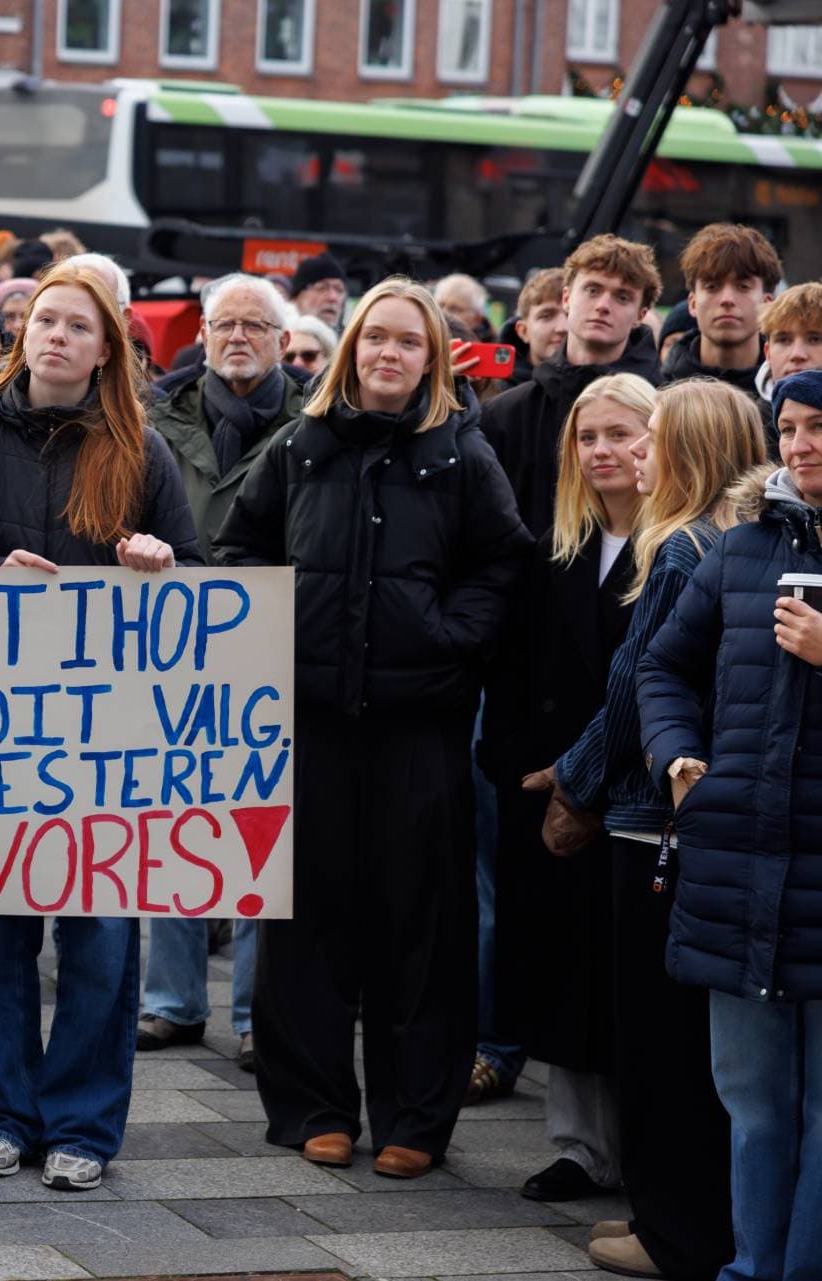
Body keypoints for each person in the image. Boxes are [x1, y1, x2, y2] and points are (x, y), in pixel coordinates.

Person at [218, 277, 530, 1180]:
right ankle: (314, 1104)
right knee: (309, 920)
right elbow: (240, 551)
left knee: (419, 928)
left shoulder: (460, 455)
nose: (388, 354)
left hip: (419, 726)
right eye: (374, 339)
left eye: (407, 341)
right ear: (350, 350)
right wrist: (277, 638)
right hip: (312, 722)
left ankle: (414, 1115)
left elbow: (500, 563)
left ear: (432, 357)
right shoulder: (300, 448)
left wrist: (451, 638)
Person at [0, 261, 201, 1192]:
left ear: (105, 348)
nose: (58, 336)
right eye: (46, 320)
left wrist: (161, 564)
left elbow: (203, 589)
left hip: (107, 739)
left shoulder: (143, 453)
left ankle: (81, 1123)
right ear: (22, 333)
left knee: (101, 943)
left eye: (79, 326)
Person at [549, 377, 765, 1279]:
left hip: (650, 823)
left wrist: (573, 784)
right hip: (695, 818)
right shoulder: (736, 538)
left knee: (659, 1044)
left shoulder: (679, 546)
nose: (636, 454)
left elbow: (638, 689)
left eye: (653, 439)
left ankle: (668, 1229)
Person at [638, 368, 822, 1281]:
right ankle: (752, 1267)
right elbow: (662, 668)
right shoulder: (740, 546)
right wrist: (678, 760)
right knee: (751, 1097)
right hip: (736, 861)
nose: (803, 443)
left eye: (821, 426)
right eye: (790, 426)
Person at [481, 374, 654, 1204]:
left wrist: (590, 778)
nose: (603, 451)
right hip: (549, 788)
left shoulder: (683, 545)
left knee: (632, 977)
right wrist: (527, 770)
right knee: (564, 972)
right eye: (588, 438)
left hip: (636, 795)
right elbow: (515, 668)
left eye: (622, 434)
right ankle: (580, 1145)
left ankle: (649, 1147)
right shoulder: (551, 546)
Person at [139, 272, 304, 1068]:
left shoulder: (314, 423)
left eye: (255, 325)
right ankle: (171, 1002)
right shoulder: (155, 421)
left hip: (272, 648)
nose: (238, 337)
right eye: (224, 325)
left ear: (283, 341)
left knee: (258, 827)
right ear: (201, 336)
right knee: (174, 817)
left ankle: (253, 1011)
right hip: (170, 647)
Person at [483, 234, 663, 540]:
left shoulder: (664, 411)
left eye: (622, 297)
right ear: (567, 298)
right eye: (593, 290)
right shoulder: (506, 413)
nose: (603, 306)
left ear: (640, 316)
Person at [662, 224, 781, 412]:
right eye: (712, 287)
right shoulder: (654, 396)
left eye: (743, 286)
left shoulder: (788, 402)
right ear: (692, 303)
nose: (727, 300)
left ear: (767, 304)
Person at [759, 281, 822, 414]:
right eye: (783, 340)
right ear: (768, 353)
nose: (797, 354)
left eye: (814, 339)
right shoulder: (747, 427)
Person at [289, 254, 348, 330]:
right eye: (322, 288)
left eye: (339, 290)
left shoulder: (350, 339)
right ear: (296, 298)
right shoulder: (280, 337)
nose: (333, 298)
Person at [434, 273, 493, 340]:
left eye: (454, 309)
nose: (443, 313)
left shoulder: (495, 348)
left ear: (476, 319)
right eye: (440, 305)